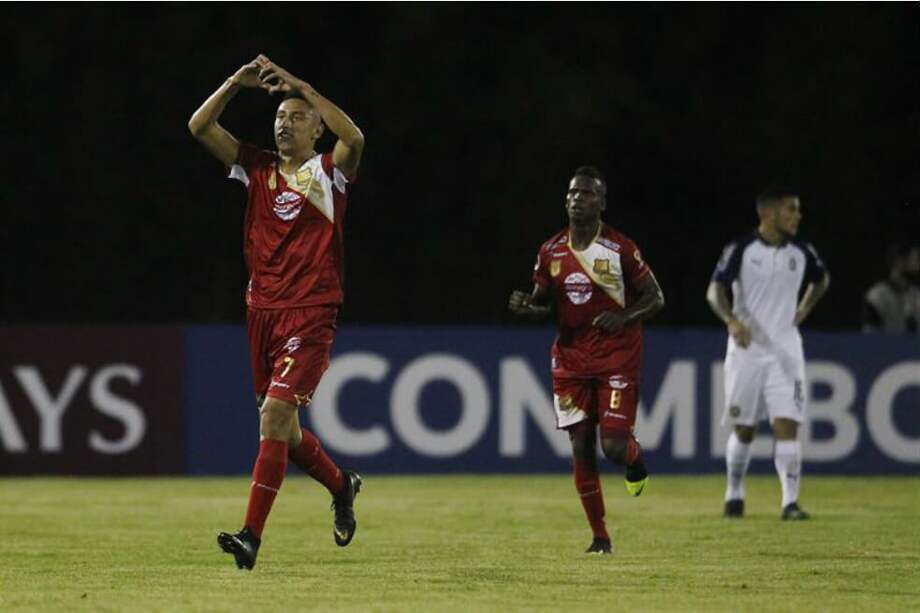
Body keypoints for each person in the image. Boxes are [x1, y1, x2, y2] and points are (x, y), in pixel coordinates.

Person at [188, 55, 365, 569]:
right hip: (261, 312)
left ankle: (251, 536)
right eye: (280, 117)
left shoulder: (330, 174)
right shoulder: (257, 167)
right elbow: (199, 126)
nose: (285, 123)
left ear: (316, 127)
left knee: (274, 415)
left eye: (297, 117)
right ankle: (341, 484)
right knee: (283, 430)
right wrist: (232, 84)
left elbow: (354, 138)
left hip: (310, 313)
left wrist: (304, 86)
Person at [508, 166, 665, 555]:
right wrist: (527, 307)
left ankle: (634, 459)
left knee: (612, 448)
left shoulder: (619, 249)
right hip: (571, 361)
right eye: (573, 193)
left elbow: (656, 297)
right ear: (565, 200)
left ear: (602, 203)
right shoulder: (551, 251)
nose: (578, 199)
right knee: (580, 446)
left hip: (616, 358)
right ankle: (600, 537)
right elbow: (544, 302)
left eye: (588, 194)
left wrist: (624, 316)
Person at [706, 187, 830, 521]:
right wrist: (731, 320)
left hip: (786, 352)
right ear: (769, 213)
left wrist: (803, 310)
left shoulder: (803, 252)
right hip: (747, 351)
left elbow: (821, 281)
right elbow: (714, 290)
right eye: (792, 209)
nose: (798, 216)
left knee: (787, 424)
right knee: (744, 428)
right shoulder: (741, 249)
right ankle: (734, 493)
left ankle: (790, 502)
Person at [861, 243, 920, 335]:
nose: (918, 266)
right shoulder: (877, 296)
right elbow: (870, 341)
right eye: (915, 261)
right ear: (899, 262)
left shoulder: (917, 294)